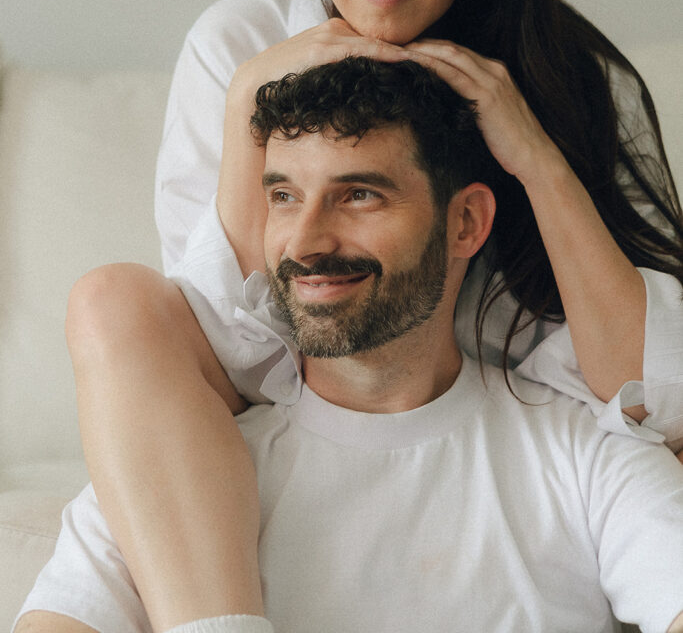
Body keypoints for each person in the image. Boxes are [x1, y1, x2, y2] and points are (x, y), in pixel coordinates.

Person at [40, 0, 683, 630]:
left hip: (496, 423)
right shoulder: (238, 42)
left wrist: (531, 154)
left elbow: (651, 403)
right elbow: (242, 360)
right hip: (309, 391)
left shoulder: (569, 77)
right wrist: (244, 118)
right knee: (113, 303)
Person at [16, 59, 683, 633]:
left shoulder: (588, 458)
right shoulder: (181, 471)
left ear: (466, 222)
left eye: (359, 195)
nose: (305, 241)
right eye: (283, 196)